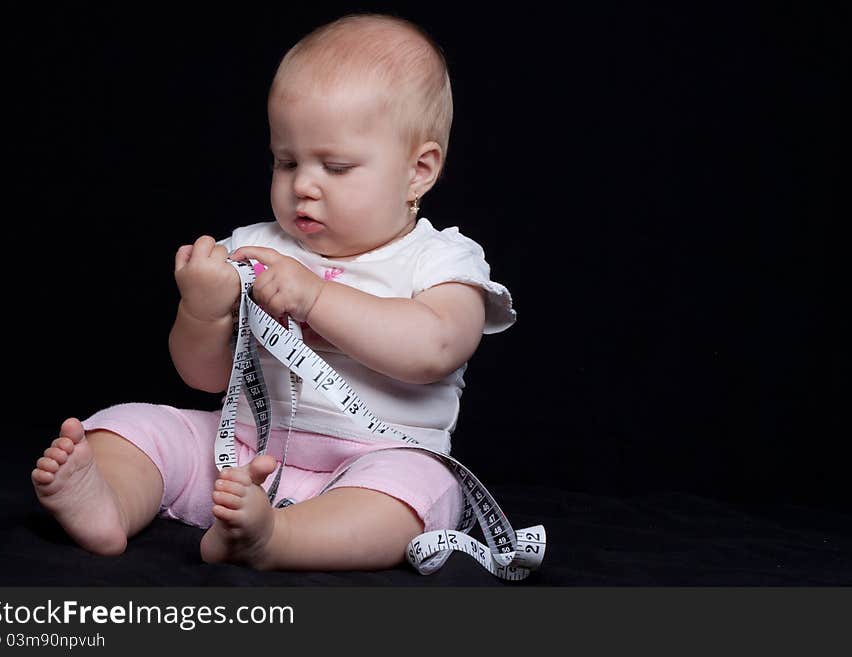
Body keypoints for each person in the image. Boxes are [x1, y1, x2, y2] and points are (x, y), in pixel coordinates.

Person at [31, 13, 515, 571]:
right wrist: (203, 310)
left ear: (419, 171)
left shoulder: (441, 258)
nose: (303, 185)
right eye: (286, 161)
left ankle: (276, 537)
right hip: (241, 453)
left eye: (335, 166)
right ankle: (107, 499)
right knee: (137, 424)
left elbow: (436, 348)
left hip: (373, 462)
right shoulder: (258, 246)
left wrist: (315, 300)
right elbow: (206, 378)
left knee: (420, 491)